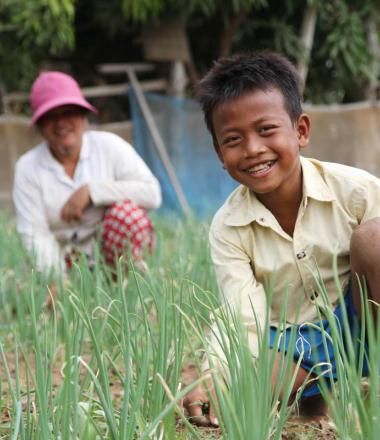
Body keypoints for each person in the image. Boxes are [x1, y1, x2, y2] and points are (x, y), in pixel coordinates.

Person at [183, 52, 380, 426]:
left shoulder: (355, 191)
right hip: (297, 341)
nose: (253, 148)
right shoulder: (229, 228)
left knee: (375, 237)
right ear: (219, 155)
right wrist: (217, 379)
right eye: (233, 139)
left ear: (301, 131)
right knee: (234, 400)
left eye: (266, 130)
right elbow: (242, 316)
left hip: (364, 321)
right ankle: (314, 400)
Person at [13, 71, 161, 275]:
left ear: (83, 117)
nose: (61, 123)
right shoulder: (27, 168)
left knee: (127, 216)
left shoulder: (109, 146)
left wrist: (92, 192)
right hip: (61, 260)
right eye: (51, 116)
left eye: (68, 112)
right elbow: (34, 234)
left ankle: (124, 285)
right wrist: (56, 281)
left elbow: (151, 193)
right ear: (40, 126)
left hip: (108, 258)